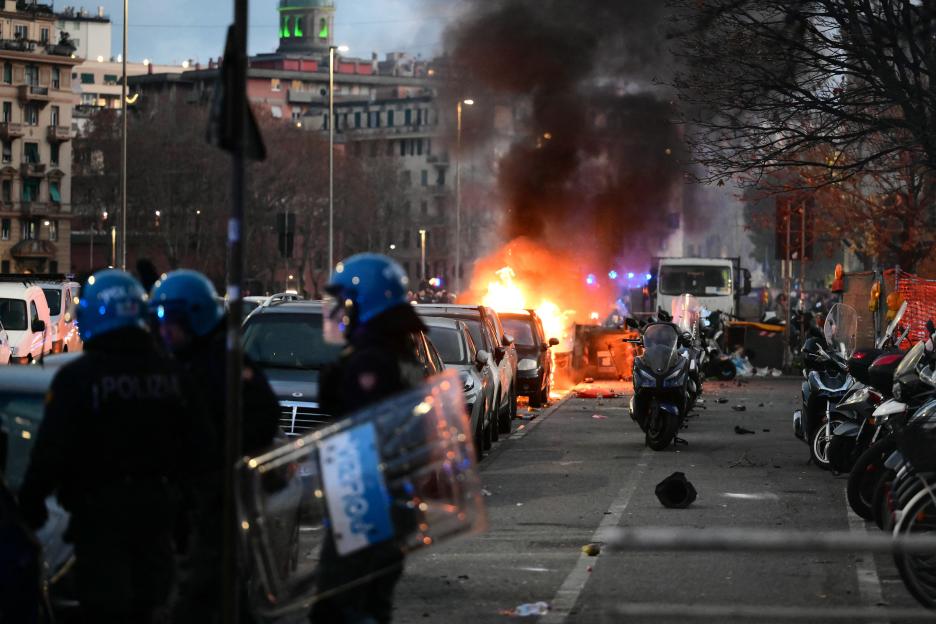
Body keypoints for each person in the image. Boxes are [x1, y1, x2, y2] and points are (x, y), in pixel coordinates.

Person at [17, 269, 211, 624]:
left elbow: (50, 453)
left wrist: (28, 510)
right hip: (158, 523)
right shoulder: (173, 377)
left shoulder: (78, 379)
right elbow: (200, 452)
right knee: (152, 608)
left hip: (98, 525)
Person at [148, 269, 280, 624]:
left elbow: (263, 414)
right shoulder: (191, 359)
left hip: (218, 499)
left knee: (204, 591)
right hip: (197, 499)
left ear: (195, 318)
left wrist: (222, 457)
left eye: (170, 321)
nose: (164, 331)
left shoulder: (221, 361)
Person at [311, 253, 427, 624]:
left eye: (344, 303)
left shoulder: (372, 360)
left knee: (341, 608)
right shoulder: (401, 353)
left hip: (364, 501)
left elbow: (356, 429)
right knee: (372, 605)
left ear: (365, 302)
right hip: (392, 496)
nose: (339, 313)